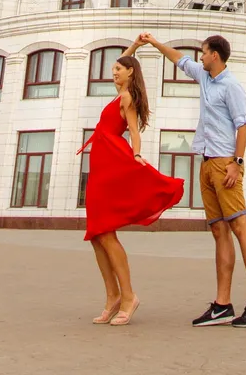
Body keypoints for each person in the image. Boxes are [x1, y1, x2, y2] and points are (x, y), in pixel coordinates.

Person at [135, 32, 246, 328]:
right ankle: (222, 305)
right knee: (219, 230)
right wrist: (154, 42)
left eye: (203, 52)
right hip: (207, 161)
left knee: (240, 225)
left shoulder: (231, 86)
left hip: (226, 165)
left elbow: (243, 124)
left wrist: (237, 163)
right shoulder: (205, 77)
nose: (200, 56)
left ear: (215, 55)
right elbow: (179, 60)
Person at [79, 51, 184, 326]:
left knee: (106, 233)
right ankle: (112, 296)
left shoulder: (126, 98)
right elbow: (126, 58)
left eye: (119, 69)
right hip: (100, 168)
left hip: (112, 165)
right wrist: (135, 44)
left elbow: (135, 131)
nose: (114, 72)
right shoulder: (118, 95)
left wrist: (137, 155)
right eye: (112, 68)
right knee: (96, 234)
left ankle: (128, 297)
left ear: (130, 73)